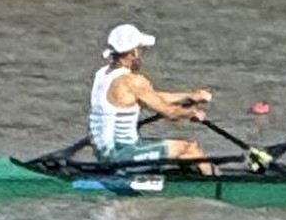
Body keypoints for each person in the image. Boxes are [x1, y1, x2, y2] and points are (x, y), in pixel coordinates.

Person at [84, 22, 216, 171]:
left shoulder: (102, 74)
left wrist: (190, 96)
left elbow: (151, 97)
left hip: (103, 153)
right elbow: (170, 113)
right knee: (189, 148)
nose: (142, 54)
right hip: (122, 155)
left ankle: (190, 178)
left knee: (179, 152)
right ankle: (217, 182)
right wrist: (192, 113)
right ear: (133, 52)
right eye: (141, 49)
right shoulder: (133, 81)